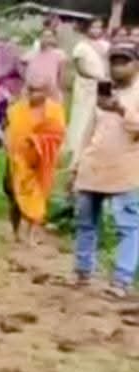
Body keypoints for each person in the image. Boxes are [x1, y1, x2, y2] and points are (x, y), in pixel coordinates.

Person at [70, 42, 139, 298]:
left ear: (136, 64)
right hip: (94, 166)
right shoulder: (104, 92)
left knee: (127, 226)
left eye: (124, 62)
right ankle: (82, 273)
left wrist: (121, 109)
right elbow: (89, 130)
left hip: (126, 169)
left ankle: (121, 280)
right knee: (85, 222)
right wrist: (76, 163)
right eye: (114, 62)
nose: (118, 67)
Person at [4, 77, 66, 244]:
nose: (33, 95)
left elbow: (57, 135)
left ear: (46, 92)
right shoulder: (17, 110)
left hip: (41, 162)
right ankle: (15, 232)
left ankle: (31, 234)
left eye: (38, 91)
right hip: (17, 159)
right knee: (14, 196)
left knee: (38, 197)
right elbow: (9, 129)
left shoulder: (54, 112)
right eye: (30, 91)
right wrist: (8, 143)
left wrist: (37, 140)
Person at [67, 17, 112, 160]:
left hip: (103, 85)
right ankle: (76, 148)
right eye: (93, 27)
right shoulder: (81, 46)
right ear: (87, 29)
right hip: (86, 85)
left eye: (99, 27)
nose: (96, 30)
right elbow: (81, 68)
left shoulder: (106, 45)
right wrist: (96, 77)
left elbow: (109, 64)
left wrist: (107, 78)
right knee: (83, 114)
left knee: (101, 114)